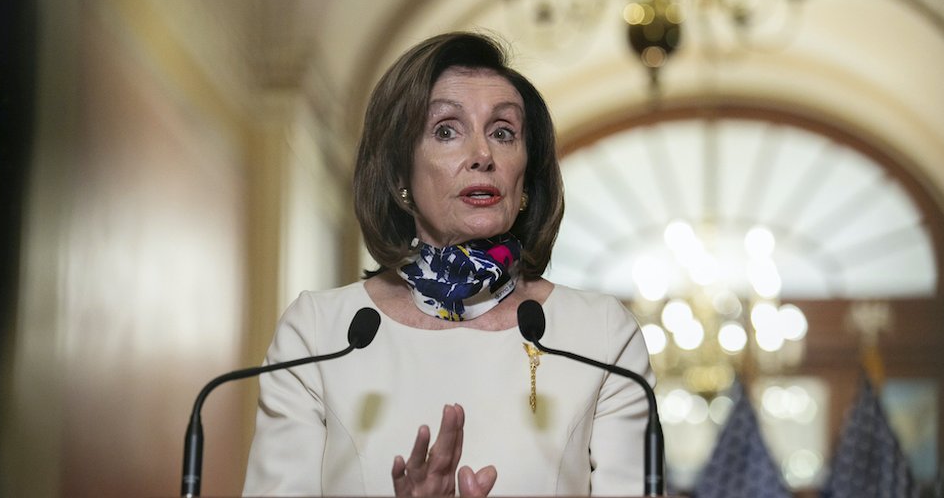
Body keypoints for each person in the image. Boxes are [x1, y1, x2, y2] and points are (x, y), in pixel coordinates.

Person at [243, 32, 653, 496]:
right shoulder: (319, 334)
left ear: (527, 175)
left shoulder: (600, 336)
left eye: (503, 132)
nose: (483, 156)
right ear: (399, 174)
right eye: (446, 130)